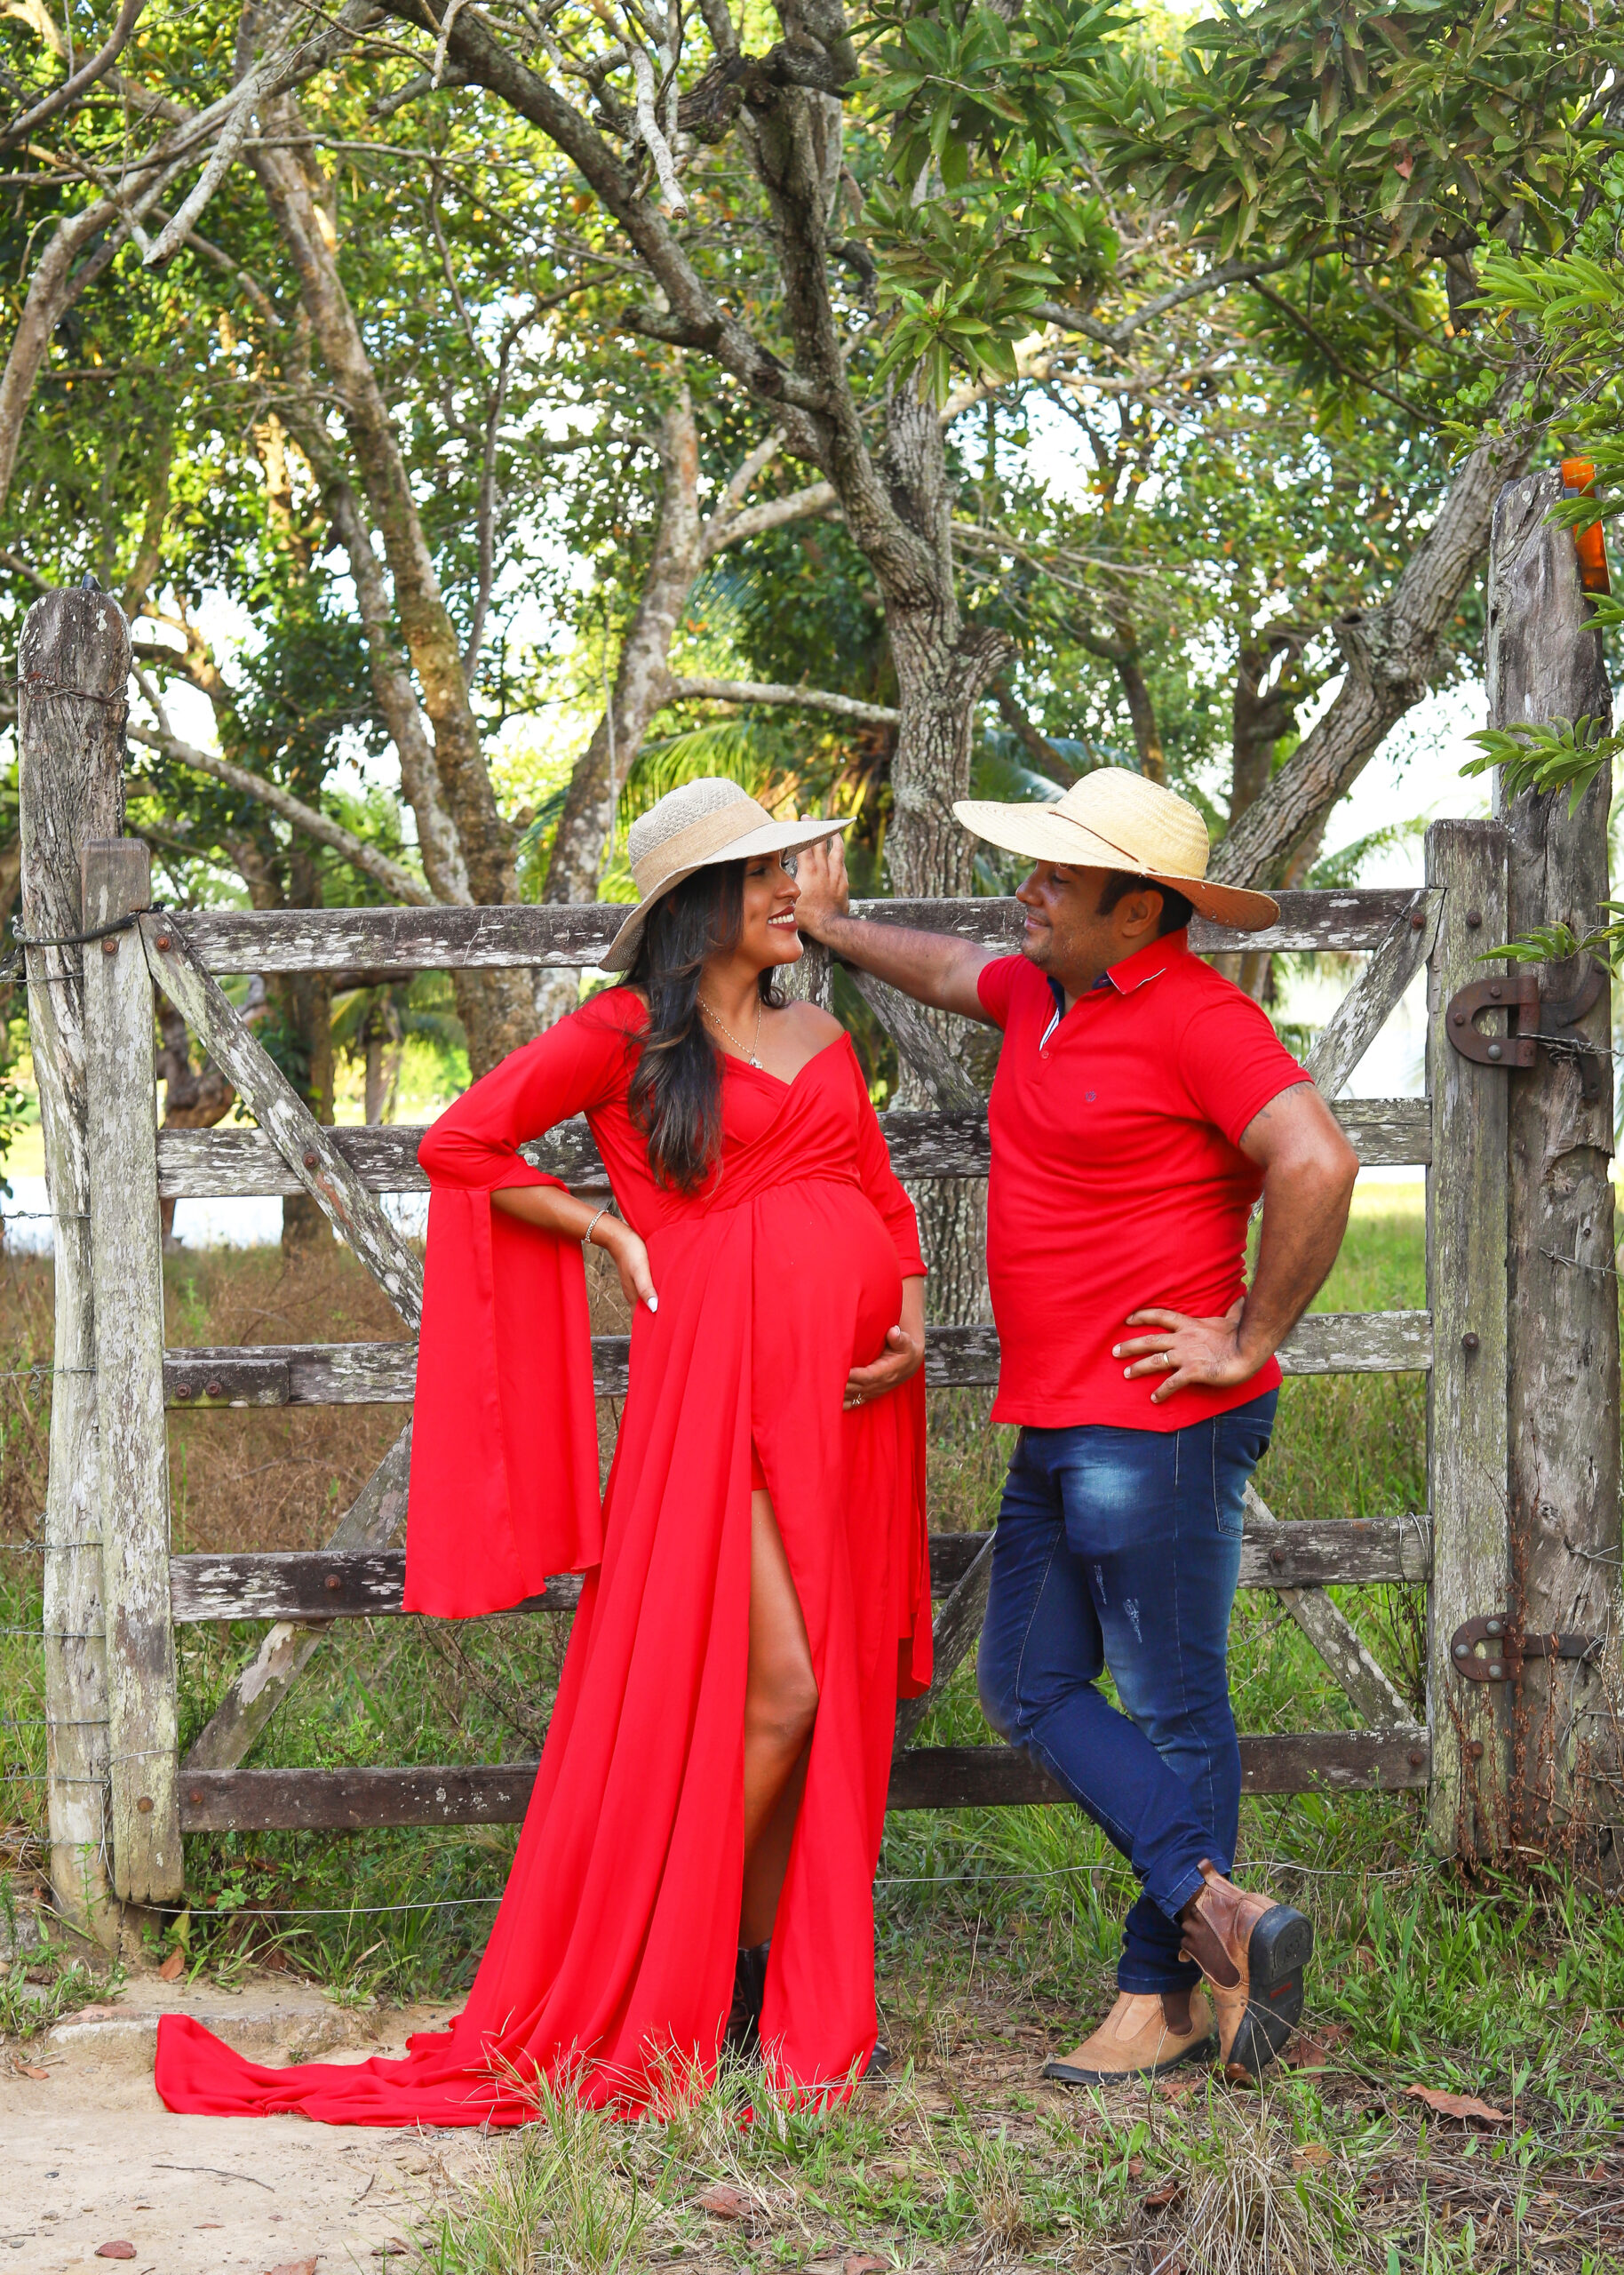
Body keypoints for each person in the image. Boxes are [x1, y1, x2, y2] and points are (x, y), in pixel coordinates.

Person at [155, 777, 933, 2124]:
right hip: (719, 1392)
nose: (789, 889)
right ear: (699, 904)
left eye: (785, 868)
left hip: (852, 1400)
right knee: (786, 1691)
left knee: (826, 1702)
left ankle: (752, 1997)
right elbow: (465, 1142)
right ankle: (668, 1968)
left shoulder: (820, 1033)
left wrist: (910, 1310)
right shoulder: (627, 1033)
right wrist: (609, 1229)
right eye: (761, 874)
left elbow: (878, 1190)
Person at [792, 767, 1359, 2085]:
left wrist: (1247, 1337)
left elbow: (1319, 1159)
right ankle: (1221, 1914)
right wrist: (830, 926)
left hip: (1161, 1427)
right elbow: (950, 968)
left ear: (1139, 910)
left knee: (1172, 1702)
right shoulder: (1045, 993)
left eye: (1058, 877)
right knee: (1024, 1682)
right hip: (1060, 1417)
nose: (1028, 892)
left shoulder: (1202, 1019)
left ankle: (1159, 1996)